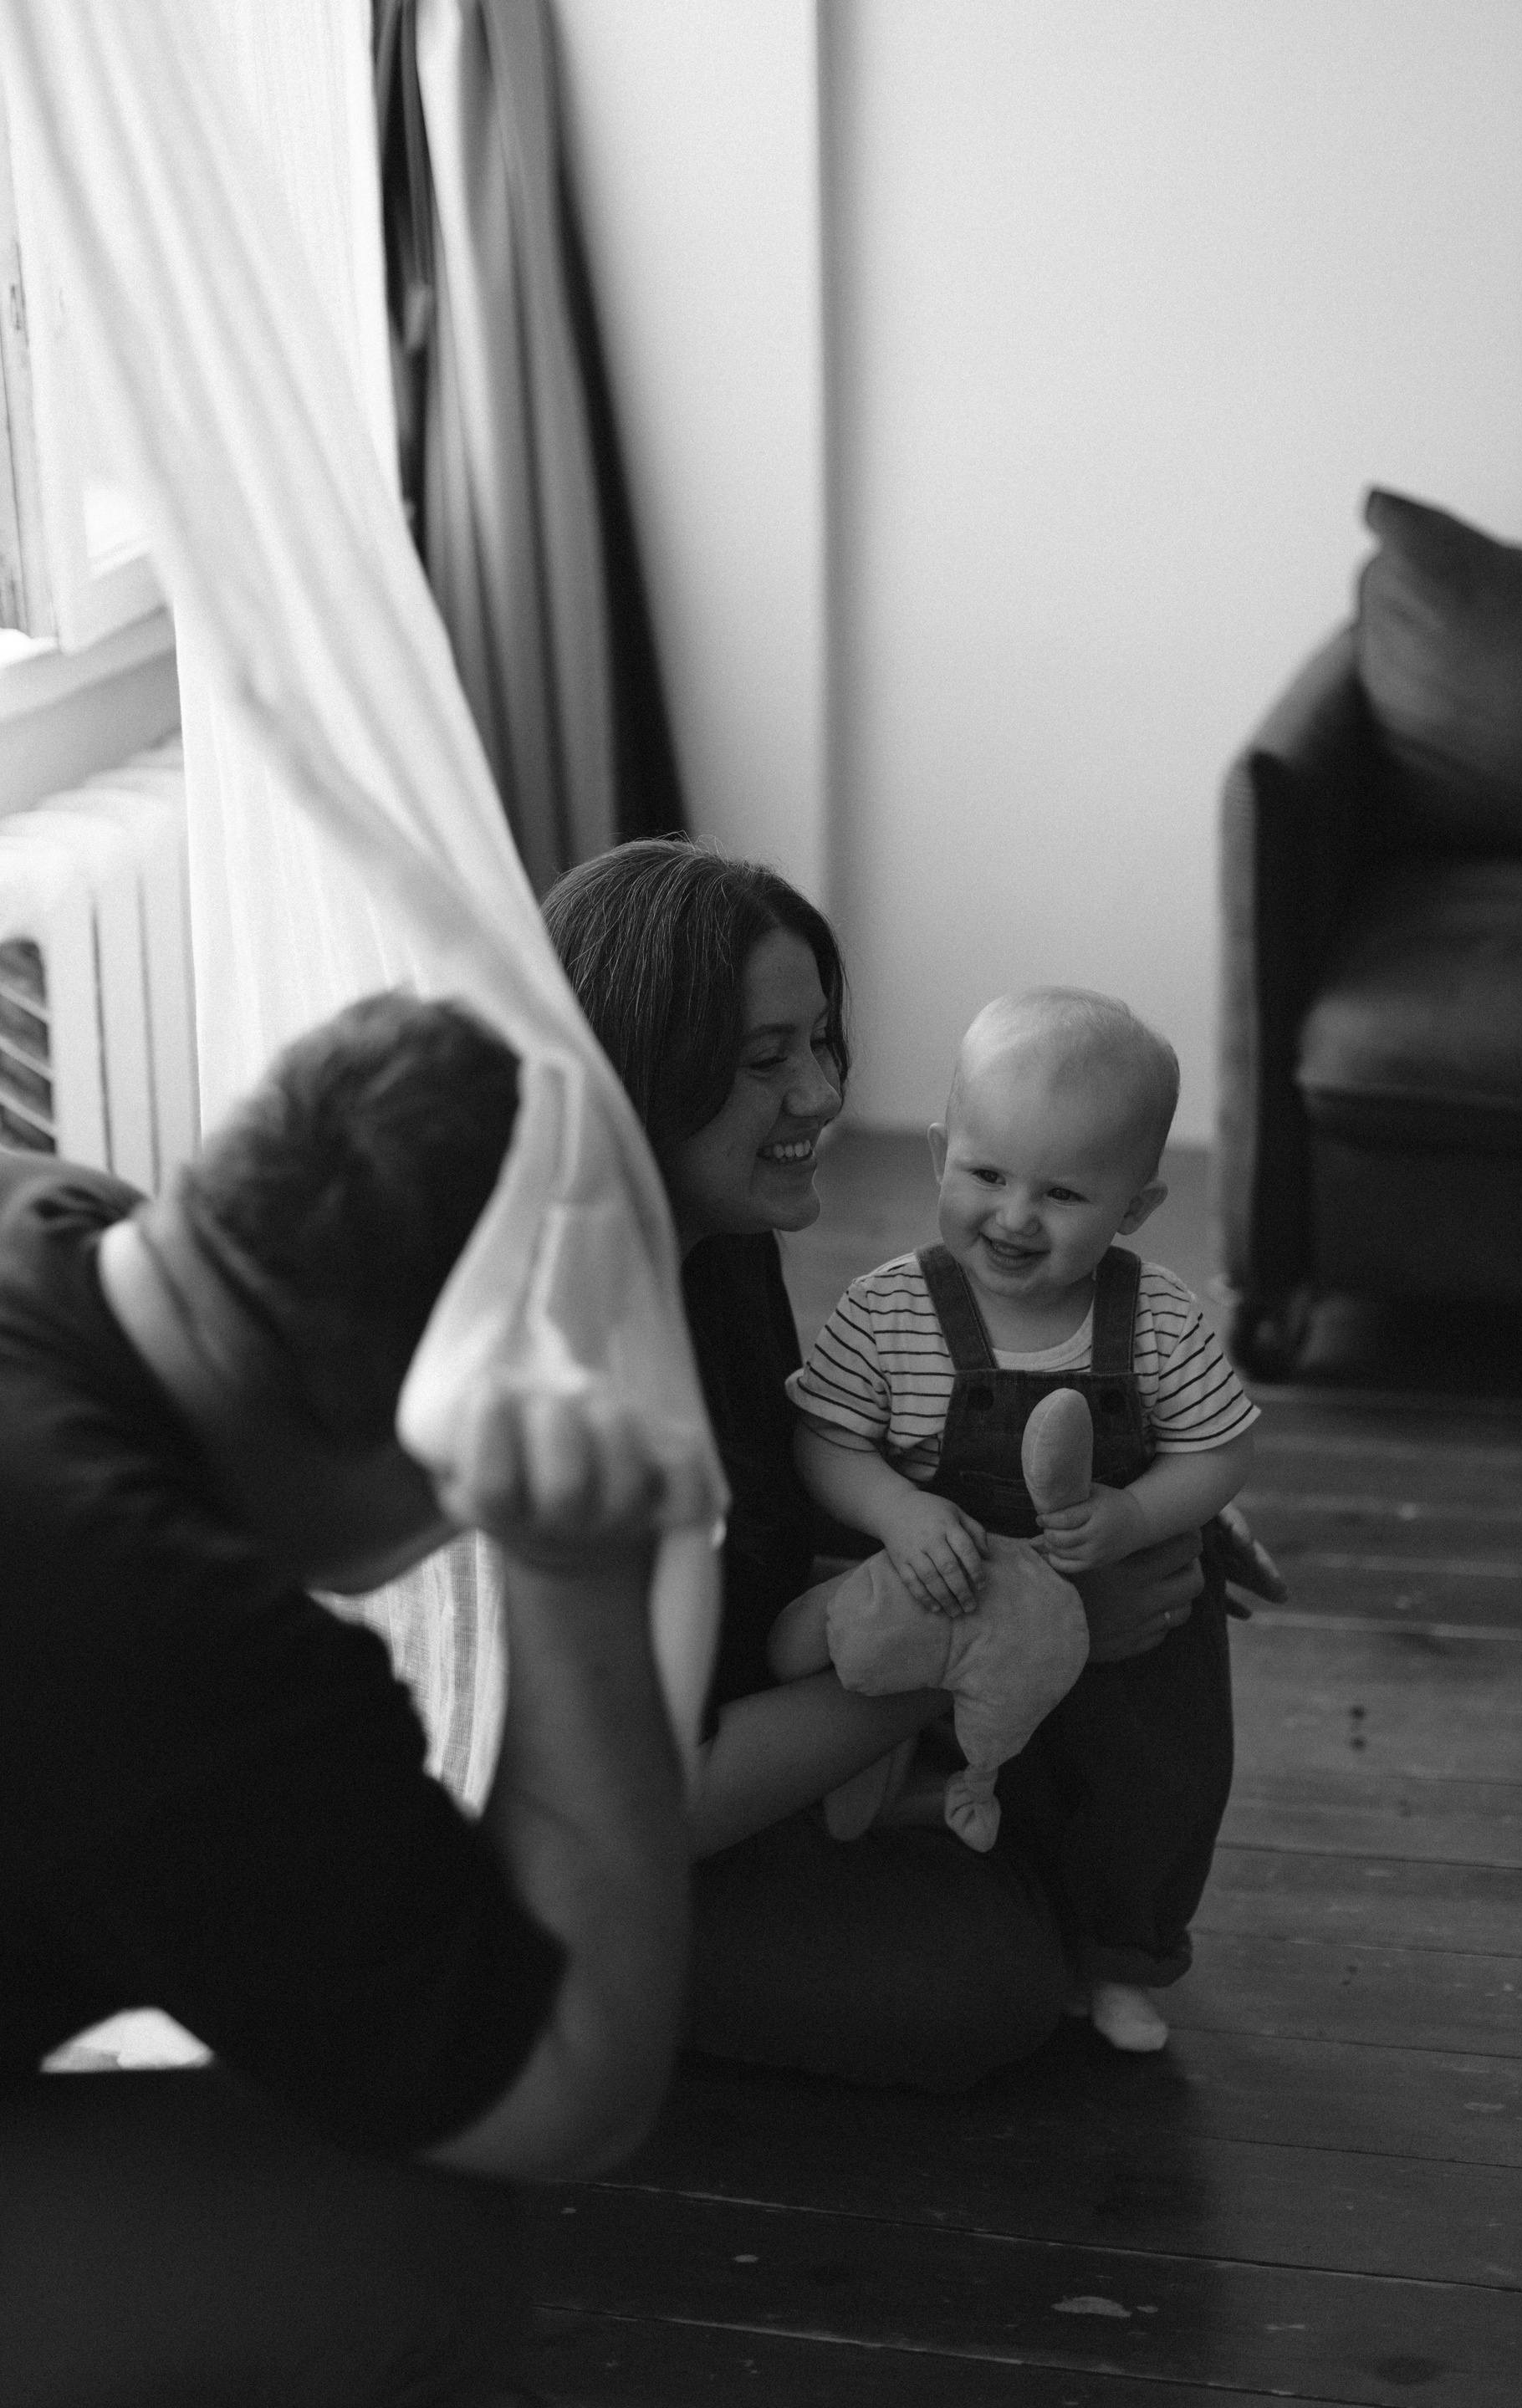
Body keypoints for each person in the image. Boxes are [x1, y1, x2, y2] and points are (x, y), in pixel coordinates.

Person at [0, 992, 693, 2407]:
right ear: (445, 1424)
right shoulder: (149, 1622)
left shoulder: (11, 1204)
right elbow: (569, 2086)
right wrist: (574, 1569)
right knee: (403, 2258)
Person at [543, 841, 1213, 2091]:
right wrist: (1024, 1632)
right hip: (587, 1840)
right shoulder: (562, 1383)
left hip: (739, 1688)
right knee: (977, 1989)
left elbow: (798, 1492)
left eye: (819, 1042)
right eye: (766, 1061)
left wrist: (1143, 1487)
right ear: (634, 1072)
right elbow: (645, 1799)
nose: (822, 1092)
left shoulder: (716, 1242)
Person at [779, 987, 1259, 2051]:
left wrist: (1135, 1514)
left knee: (1151, 1785)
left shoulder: (1157, 1318)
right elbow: (824, 1441)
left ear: (1135, 1208)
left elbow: (1221, 1448)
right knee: (997, 1773)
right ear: (939, 1154)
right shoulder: (889, 1310)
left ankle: (1122, 1957)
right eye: (988, 1175)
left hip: (1129, 1623)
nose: (1015, 1217)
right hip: (958, 1602)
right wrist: (901, 1511)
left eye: (1064, 1193)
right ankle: (1016, 1911)